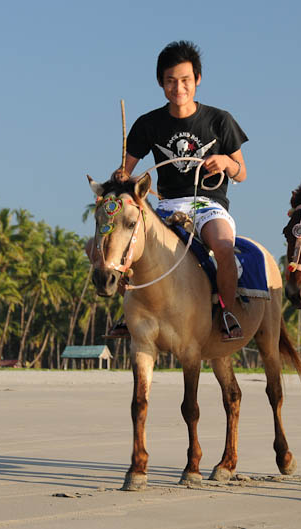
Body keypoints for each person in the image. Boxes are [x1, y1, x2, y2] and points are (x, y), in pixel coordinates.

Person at [103, 40, 248, 341]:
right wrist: (121, 175)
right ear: (161, 83)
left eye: (185, 80)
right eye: (170, 81)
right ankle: (131, 313)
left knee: (222, 246)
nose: (178, 87)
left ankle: (226, 312)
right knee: (127, 244)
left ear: (197, 79)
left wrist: (225, 161)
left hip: (208, 205)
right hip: (167, 207)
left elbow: (242, 173)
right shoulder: (148, 123)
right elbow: (124, 173)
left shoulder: (220, 120)